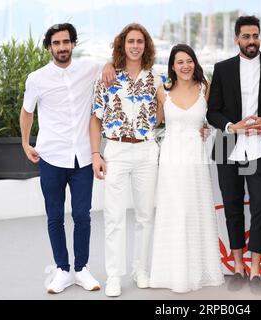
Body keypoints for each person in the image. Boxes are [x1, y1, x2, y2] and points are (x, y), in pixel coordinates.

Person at [20, 23, 102, 294]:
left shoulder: (89, 69)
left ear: (73, 44)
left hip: (82, 159)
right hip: (51, 156)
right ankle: (62, 270)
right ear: (49, 47)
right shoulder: (36, 78)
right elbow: (27, 111)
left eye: (66, 42)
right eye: (56, 43)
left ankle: (81, 269)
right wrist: (24, 142)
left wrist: (112, 66)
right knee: (54, 216)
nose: (62, 47)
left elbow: (116, 61)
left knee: (83, 215)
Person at [207, 15, 261, 293]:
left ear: (260, 37)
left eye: (255, 36)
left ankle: (255, 270)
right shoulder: (222, 68)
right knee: (232, 206)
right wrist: (231, 126)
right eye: (246, 37)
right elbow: (212, 111)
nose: (251, 41)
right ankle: (238, 267)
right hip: (228, 146)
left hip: (258, 148)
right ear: (236, 39)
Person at [90, 23, 163, 297]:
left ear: (146, 46)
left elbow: (168, 111)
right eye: (131, 41)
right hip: (116, 152)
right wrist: (96, 154)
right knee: (114, 216)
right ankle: (114, 275)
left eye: (140, 42)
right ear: (123, 44)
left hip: (146, 150)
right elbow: (95, 119)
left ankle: (141, 270)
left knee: (145, 215)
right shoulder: (107, 77)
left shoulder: (156, 79)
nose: (135, 46)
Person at [148, 44, 225, 293]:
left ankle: (195, 271)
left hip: (196, 160)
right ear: (172, 65)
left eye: (189, 60)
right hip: (171, 159)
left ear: (195, 62)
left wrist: (208, 130)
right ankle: (171, 273)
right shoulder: (162, 91)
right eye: (179, 61)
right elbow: (154, 122)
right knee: (174, 212)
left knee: (194, 211)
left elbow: (214, 119)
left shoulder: (206, 88)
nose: (185, 66)